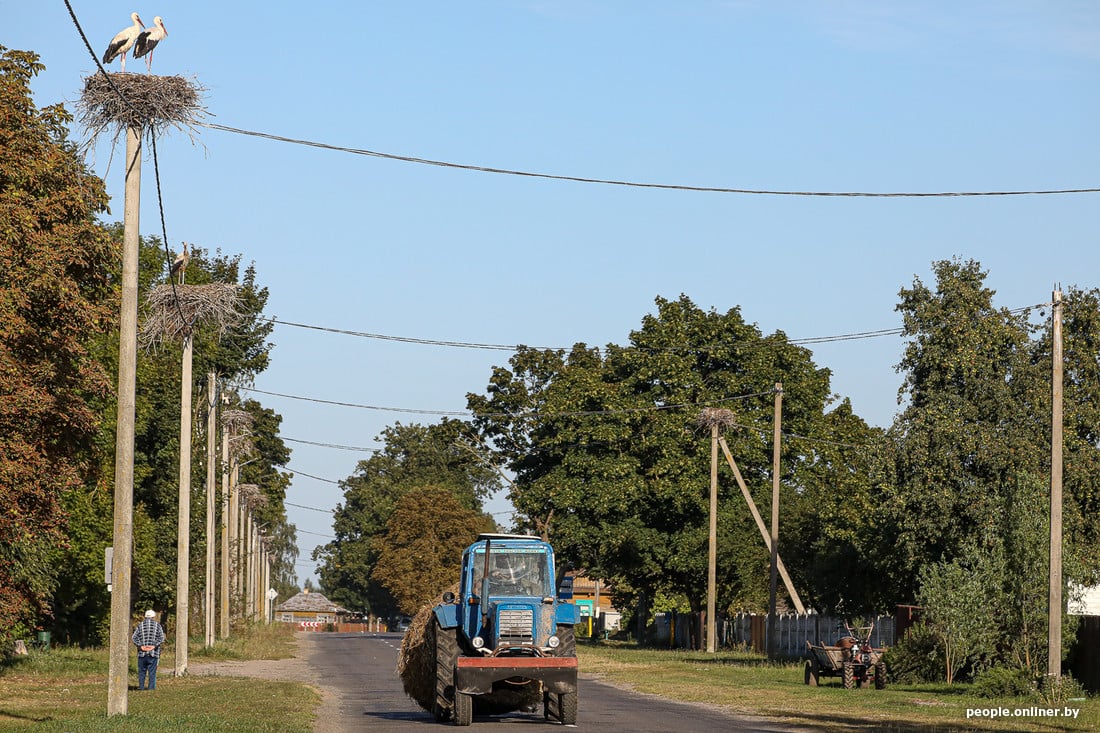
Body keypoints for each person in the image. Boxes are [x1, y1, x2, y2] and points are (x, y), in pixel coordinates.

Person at [132, 609, 166, 690]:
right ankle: (151, 688)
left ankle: (141, 687)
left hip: (142, 653)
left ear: (145, 616)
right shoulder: (158, 625)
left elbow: (134, 637)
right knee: (152, 673)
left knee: (141, 672)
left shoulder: (140, 625)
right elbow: (161, 637)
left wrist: (140, 646)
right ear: (153, 617)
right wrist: (154, 646)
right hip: (153, 653)